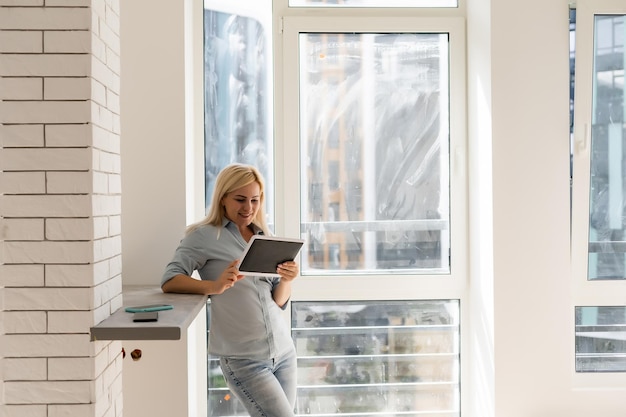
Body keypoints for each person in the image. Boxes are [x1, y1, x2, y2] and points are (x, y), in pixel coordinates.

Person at [161, 163, 299, 417]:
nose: (248, 208)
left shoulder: (264, 235)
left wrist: (288, 280)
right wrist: (214, 286)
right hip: (244, 360)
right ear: (223, 198)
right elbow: (170, 279)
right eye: (240, 199)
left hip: (283, 352)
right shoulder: (203, 237)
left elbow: (277, 301)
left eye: (255, 200)